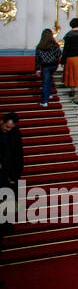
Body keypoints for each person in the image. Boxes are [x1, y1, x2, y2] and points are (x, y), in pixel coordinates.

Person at [0, 112, 22, 277]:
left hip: (8, 177)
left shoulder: (14, 133)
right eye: (7, 126)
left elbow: (18, 154)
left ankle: (5, 226)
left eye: (11, 127)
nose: (8, 129)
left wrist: (14, 175)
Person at [34, 29, 61, 109]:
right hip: (54, 65)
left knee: (46, 82)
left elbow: (37, 59)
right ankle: (49, 94)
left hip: (45, 66)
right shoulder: (55, 45)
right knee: (49, 79)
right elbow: (59, 54)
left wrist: (37, 69)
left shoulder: (39, 47)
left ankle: (45, 101)